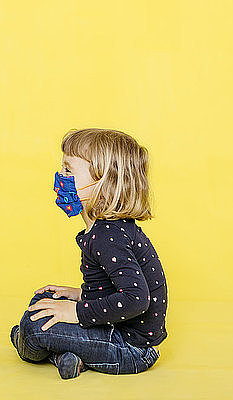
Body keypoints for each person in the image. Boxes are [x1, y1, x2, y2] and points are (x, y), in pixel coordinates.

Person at [10, 128, 167, 378]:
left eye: (69, 170)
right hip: (117, 329)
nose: (61, 177)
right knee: (42, 301)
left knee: (32, 327)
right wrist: (79, 295)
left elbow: (137, 299)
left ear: (104, 183)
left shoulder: (107, 236)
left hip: (130, 349)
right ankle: (70, 357)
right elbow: (117, 288)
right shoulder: (105, 229)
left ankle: (31, 344)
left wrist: (75, 311)